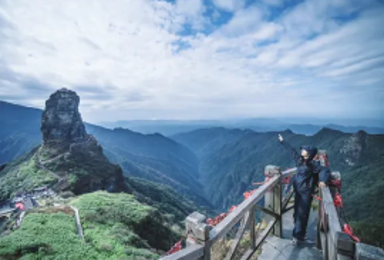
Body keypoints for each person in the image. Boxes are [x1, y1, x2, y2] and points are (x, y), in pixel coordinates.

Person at [278, 134, 330, 245]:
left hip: (306, 192)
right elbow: (291, 151)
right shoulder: (300, 161)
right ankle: (300, 234)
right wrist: (283, 141)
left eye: (305, 150)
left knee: (302, 213)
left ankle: (297, 236)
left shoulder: (313, 165)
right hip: (298, 191)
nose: (302, 150)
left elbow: (325, 170)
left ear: (310, 153)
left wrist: (322, 181)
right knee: (298, 213)